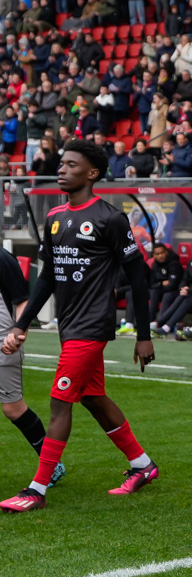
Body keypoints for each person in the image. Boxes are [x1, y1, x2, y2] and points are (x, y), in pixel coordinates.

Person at [0, 140, 156, 513]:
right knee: (92, 397)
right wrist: (21, 324)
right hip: (68, 325)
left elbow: (139, 278)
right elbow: (47, 279)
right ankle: (143, 465)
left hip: (92, 325)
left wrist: (143, 336)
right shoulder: (54, 217)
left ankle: (37, 489)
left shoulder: (110, 219)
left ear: (92, 173)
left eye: (72, 164)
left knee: (60, 401)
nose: (62, 169)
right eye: (62, 163)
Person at [0, 248, 54, 483]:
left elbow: (23, 301)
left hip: (4, 342)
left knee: (13, 409)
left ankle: (51, 464)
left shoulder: (3, 259)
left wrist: (18, 335)